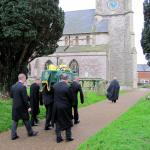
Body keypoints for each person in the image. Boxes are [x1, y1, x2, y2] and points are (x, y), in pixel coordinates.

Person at [10, 73, 38, 140]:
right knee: (26, 120)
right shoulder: (23, 87)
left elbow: (11, 96)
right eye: (25, 78)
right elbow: (25, 99)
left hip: (15, 107)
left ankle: (13, 135)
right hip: (22, 107)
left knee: (15, 120)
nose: (26, 79)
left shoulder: (13, 86)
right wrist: (29, 107)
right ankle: (30, 132)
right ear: (23, 78)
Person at [52, 74, 74, 143]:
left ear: (60, 78)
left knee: (57, 122)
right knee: (68, 121)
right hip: (65, 107)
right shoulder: (68, 87)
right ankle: (68, 137)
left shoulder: (55, 86)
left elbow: (53, 96)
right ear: (66, 79)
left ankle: (58, 138)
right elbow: (71, 98)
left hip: (56, 107)